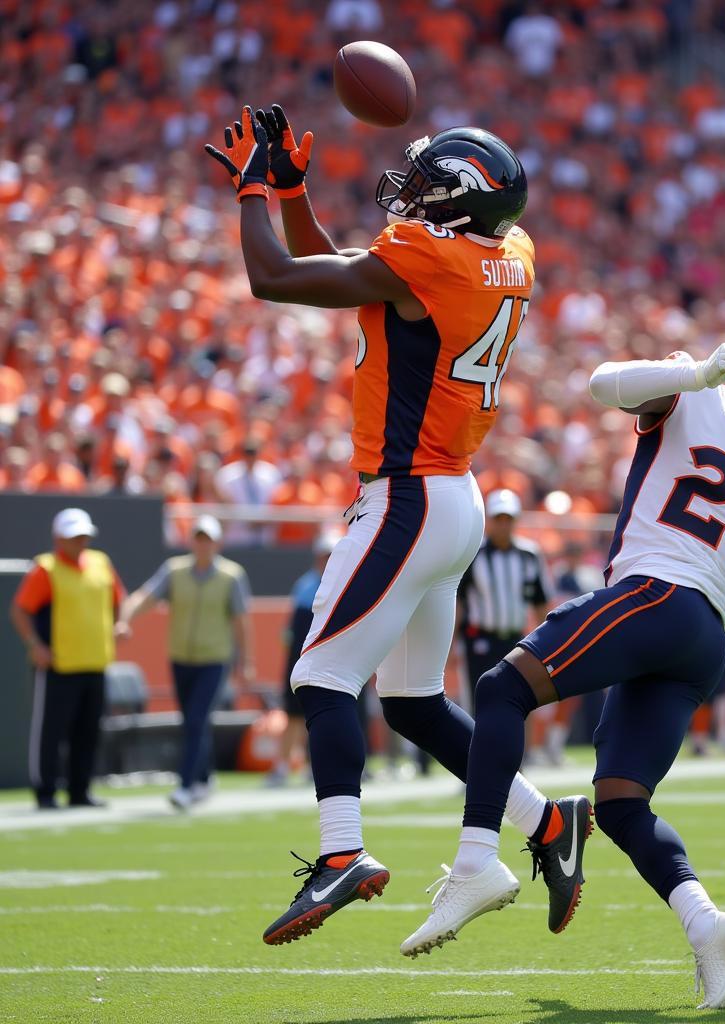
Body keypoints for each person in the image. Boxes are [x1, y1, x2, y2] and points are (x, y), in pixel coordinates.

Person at [205, 105, 582, 945]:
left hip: (408, 497)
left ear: (454, 203)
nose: (405, 196)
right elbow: (349, 266)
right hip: (454, 497)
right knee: (412, 704)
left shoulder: (429, 260)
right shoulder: (507, 251)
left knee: (321, 679)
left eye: (423, 186)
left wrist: (255, 191)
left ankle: (344, 853)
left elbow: (277, 278)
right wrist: (298, 194)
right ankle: (548, 825)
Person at [403, 316, 725, 1012]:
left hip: (659, 597)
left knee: (500, 689)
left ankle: (475, 864)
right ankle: (710, 929)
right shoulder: (699, 387)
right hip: (696, 637)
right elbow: (603, 383)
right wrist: (694, 370)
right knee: (620, 806)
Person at [116, 515, 253, 810]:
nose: (203, 544)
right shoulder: (174, 571)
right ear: (192, 540)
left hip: (215, 659)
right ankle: (204, 776)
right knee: (191, 721)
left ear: (217, 543)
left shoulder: (231, 576)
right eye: (199, 538)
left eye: (208, 539)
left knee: (196, 720)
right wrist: (126, 619)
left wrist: (247, 661)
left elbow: (241, 620)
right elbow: (146, 596)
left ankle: (186, 785)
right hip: (181, 658)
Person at [10, 508, 125, 809]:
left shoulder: (101, 564)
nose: (81, 542)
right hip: (59, 664)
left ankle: (80, 791)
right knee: (51, 733)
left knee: (88, 732)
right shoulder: (45, 569)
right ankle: (46, 792)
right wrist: (36, 645)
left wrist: (119, 623)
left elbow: (118, 599)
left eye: (84, 536)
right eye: (74, 537)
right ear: (58, 538)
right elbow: (20, 610)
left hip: (96, 662)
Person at [457, 489, 551, 709]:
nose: (503, 525)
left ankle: (523, 745)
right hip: (479, 639)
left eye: (508, 519)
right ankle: (479, 744)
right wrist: (452, 644)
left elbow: (540, 602)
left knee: (520, 700)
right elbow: (458, 601)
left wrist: (545, 643)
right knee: (479, 700)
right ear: (489, 520)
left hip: (516, 641)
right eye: (498, 518)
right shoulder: (474, 554)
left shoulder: (530, 554)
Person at [266, 531, 339, 787]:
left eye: (331, 556)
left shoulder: (344, 582)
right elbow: (294, 632)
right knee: (294, 715)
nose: (327, 561)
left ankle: (313, 766)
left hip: (331, 662)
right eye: (323, 556)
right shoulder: (305, 586)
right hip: (302, 659)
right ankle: (282, 767)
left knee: (322, 716)